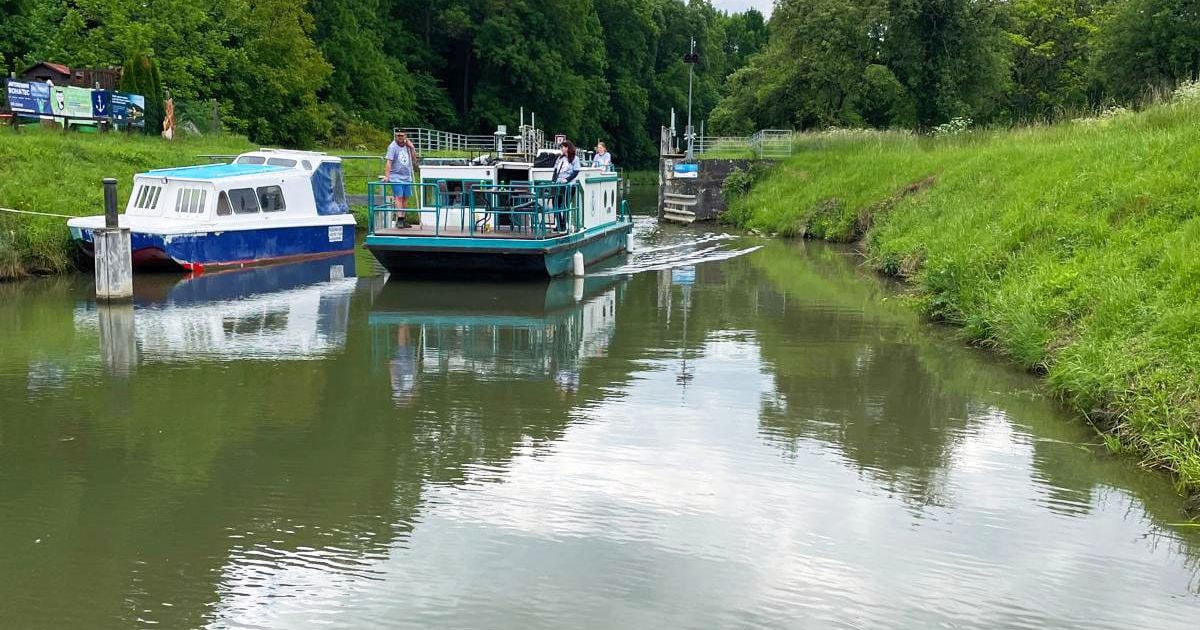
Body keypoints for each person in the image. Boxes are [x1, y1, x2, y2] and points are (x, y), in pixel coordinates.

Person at [383, 130, 418, 228]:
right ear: (395, 136)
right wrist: (387, 176)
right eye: (398, 136)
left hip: (407, 177)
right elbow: (389, 162)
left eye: (402, 136)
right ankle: (399, 219)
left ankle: (403, 218)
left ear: (405, 136)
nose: (400, 137)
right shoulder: (393, 146)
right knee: (399, 197)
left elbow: (414, 159)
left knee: (405, 198)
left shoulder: (407, 146)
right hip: (396, 177)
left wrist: (412, 147)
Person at [552, 141, 582, 231]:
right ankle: (559, 223)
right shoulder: (560, 158)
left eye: (563, 147)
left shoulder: (574, 159)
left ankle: (564, 224)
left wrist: (567, 179)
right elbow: (555, 170)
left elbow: (576, 171)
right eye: (561, 147)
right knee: (555, 204)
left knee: (565, 204)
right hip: (558, 184)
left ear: (568, 148)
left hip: (569, 185)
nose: (562, 148)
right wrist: (553, 181)